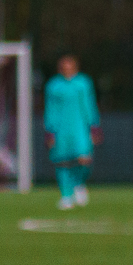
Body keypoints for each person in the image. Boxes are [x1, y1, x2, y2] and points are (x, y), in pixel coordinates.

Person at [44, 55, 101, 209]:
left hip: (80, 128)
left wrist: (94, 127)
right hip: (60, 129)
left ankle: (78, 184)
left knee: (84, 159)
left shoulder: (83, 83)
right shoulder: (53, 85)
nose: (67, 69)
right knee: (62, 162)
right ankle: (66, 195)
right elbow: (50, 109)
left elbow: (89, 105)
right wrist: (49, 131)